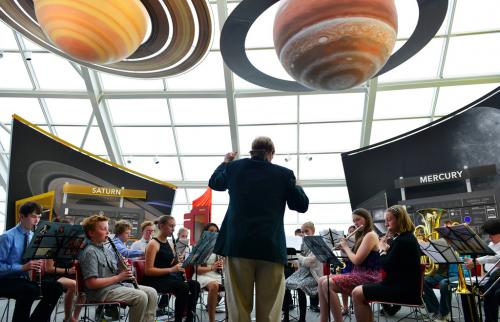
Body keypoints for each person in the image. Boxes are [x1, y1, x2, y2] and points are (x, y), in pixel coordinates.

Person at [209, 136, 309, 322]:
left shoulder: (234, 168)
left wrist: (225, 162)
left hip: (238, 246)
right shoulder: (284, 174)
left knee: (238, 308)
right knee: (270, 310)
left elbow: (215, 183)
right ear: (272, 153)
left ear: (251, 151)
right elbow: (301, 205)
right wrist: (295, 184)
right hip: (270, 247)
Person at [79, 214, 158, 322]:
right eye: (103, 229)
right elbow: (91, 283)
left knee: (152, 292)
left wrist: (122, 269)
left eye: (108, 229)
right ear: (91, 233)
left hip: (115, 286)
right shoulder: (90, 252)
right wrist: (119, 277)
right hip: (100, 292)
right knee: (140, 297)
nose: (108, 233)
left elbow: (114, 273)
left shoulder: (106, 250)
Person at [351, 205, 421, 322]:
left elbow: (386, 266)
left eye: (389, 220)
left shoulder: (404, 240)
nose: (386, 224)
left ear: (400, 219)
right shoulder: (402, 238)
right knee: (358, 292)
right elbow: (395, 262)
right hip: (399, 285)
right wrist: (387, 250)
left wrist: (382, 250)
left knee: (357, 293)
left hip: (403, 289)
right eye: (385, 220)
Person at [0, 201, 64, 322]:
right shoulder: (7, 237)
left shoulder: (33, 236)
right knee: (29, 290)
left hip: (24, 280)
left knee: (56, 287)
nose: (37, 220)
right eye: (34, 216)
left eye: (39, 217)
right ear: (22, 216)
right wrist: (22, 268)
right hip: (5, 280)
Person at [318, 209, 382, 322]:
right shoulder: (361, 236)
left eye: (358, 219)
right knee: (321, 280)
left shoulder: (370, 235)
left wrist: (346, 247)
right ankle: (323, 319)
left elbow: (357, 260)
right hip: (358, 273)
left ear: (367, 219)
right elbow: (353, 258)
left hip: (369, 276)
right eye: (354, 221)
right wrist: (343, 249)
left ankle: (338, 320)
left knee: (327, 283)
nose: (356, 223)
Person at [142, 215, 200, 322]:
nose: (173, 229)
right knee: (183, 287)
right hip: (154, 280)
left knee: (195, 285)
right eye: (171, 226)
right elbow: (148, 270)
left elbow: (168, 264)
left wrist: (178, 261)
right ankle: (178, 319)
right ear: (161, 226)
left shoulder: (169, 243)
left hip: (166, 277)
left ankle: (189, 318)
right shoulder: (153, 244)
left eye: (174, 226)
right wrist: (172, 270)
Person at [285, 221, 321, 322]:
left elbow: (309, 262)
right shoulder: (300, 243)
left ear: (313, 231)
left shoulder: (316, 243)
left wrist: (297, 254)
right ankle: (286, 317)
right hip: (301, 272)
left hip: (313, 275)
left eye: (306, 231)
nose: (304, 233)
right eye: (302, 231)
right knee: (284, 284)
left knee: (300, 287)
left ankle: (302, 319)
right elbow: (297, 262)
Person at [465, 218, 500, 322]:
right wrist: (473, 260)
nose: (489, 237)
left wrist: (476, 261)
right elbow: (489, 256)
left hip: (496, 277)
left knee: (489, 294)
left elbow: (496, 257)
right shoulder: (491, 244)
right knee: (467, 290)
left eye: (491, 235)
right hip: (490, 276)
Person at [191, 223, 224, 322]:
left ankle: (230, 318)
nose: (214, 233)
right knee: (214, 286)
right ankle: (212, 320)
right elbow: (197, 270)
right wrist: (212, 267)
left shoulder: (219, 247)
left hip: (217, 275)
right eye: (211, 231)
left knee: (232, 284)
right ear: (205, 233)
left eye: (216, 231)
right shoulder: (199, 247)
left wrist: (223, 266)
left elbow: (224, 265)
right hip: (202, 275)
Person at [340, 225, 356, 314]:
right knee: (343, 285)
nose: (351, 233)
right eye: (349, 231)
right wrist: (342, 249)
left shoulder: (359, 241)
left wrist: (346, 249)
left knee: (353, 286)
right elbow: (343, 254)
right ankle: (345, 307)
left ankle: (355, 305)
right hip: (346, 264)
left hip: (355, 264)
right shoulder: (346, 240)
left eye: (353, 231)